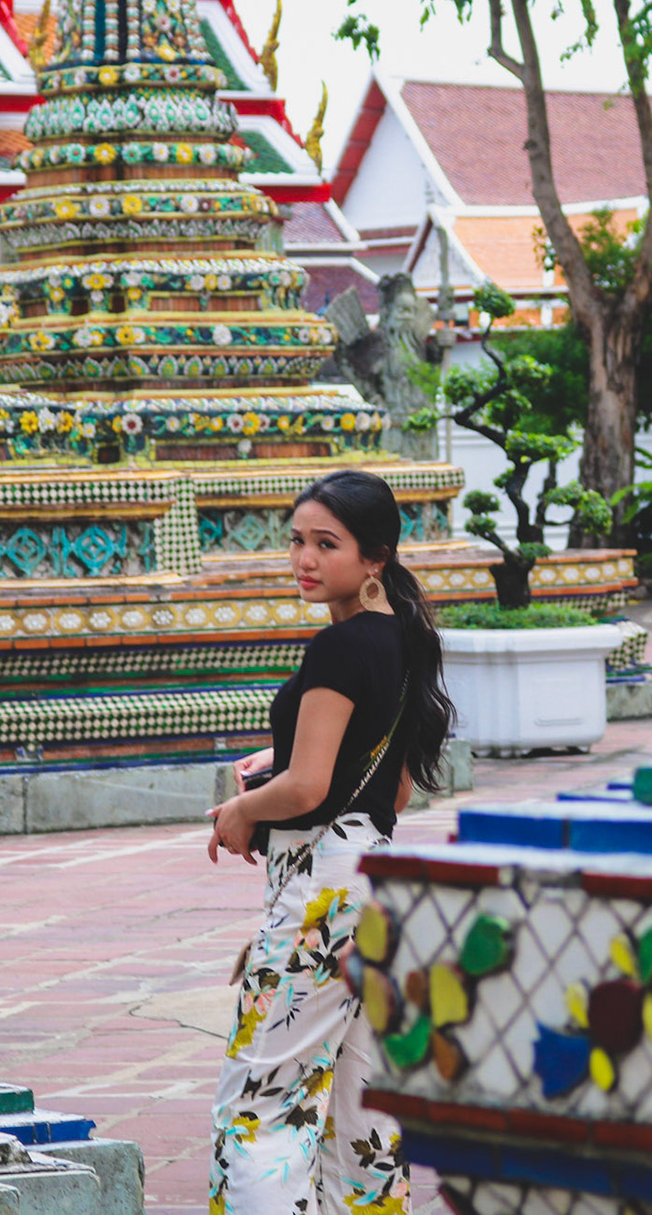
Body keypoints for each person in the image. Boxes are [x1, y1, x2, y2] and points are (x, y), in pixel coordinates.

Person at [205, 468, 456, 1215]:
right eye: (297, 541)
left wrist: (239, 810)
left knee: (260, 1102)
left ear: (375, 556)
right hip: (374, 882)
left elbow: (308, 788)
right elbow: (394, 793)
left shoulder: (339, 647)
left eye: (326, 544)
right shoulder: (406, 638)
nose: (304, 559)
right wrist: (279, 765)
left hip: (318, 885)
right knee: (361, 1106)